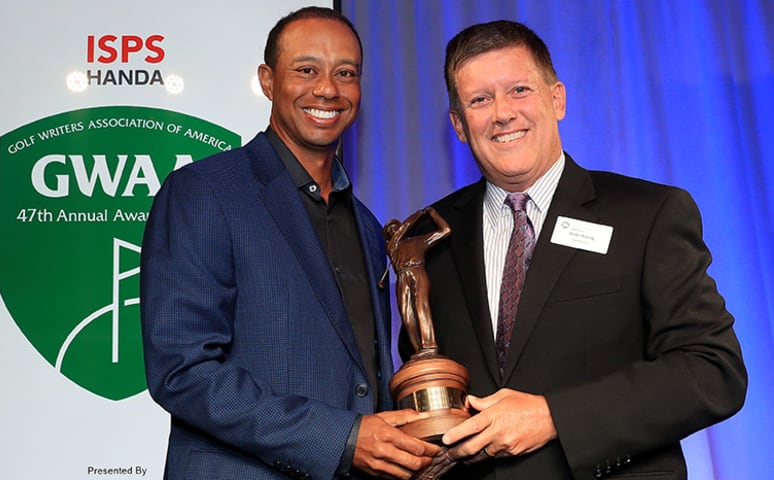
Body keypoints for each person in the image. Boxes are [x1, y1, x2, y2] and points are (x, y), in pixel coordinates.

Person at [403, 20, 747, 479]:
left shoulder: (647, 214)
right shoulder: (428, 236)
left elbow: (713, 372)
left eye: (519, 90)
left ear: (557, 99)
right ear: (459, 125)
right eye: (480, 100)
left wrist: (554, 416)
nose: (502, 113)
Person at [140, 7, 439, 480]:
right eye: (306, 70)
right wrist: (341, 439)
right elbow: (184, 370)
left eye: (346, 73)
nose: (327, 89)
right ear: (267, 80)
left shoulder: (365, 224)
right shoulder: (205, 191)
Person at [381, 207, 451, 356]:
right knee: (407, 316)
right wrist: (418, 215)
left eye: (395, 227)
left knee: (421, 308)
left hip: (417, 272)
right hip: (402, 277)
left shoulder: (418, 241)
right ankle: (418, 349)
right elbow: (405, 227)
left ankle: (429, 346)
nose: (393, 230)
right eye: (389, 230)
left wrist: (433, 213)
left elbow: (445, 230)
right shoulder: (392, 246)